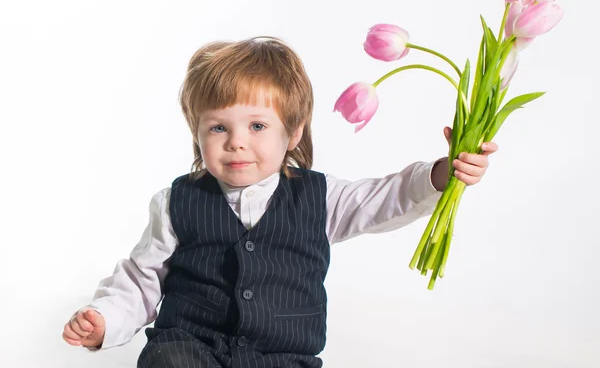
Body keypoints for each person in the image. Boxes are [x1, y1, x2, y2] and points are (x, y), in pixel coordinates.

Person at [62, 36, 498, 367]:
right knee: (168, 360)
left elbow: (386, 198)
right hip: (192, 349)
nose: (236, 143)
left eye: (256, 126)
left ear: (292, 133)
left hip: (281, 358)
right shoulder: (176, 202)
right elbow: (141, 282)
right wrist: (104, 319)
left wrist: (442, 174)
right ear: (196, 131)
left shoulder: (319, 197)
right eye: (218, 128)